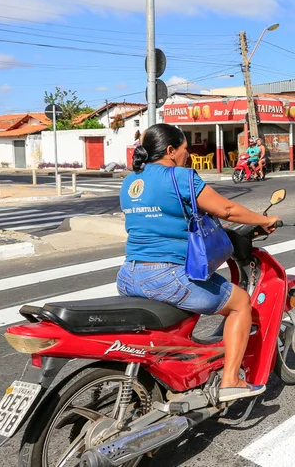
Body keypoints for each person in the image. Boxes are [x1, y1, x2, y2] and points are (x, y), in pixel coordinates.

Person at [118, 124, 279, 402]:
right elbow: (226, 209)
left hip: (129, 274)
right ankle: (230, 380)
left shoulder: (131, 180)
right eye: (183, 149)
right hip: (167, 276)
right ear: (170, 151)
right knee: (240, 303)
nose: (186, 155)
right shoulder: (179, 176)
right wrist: (265, 220)